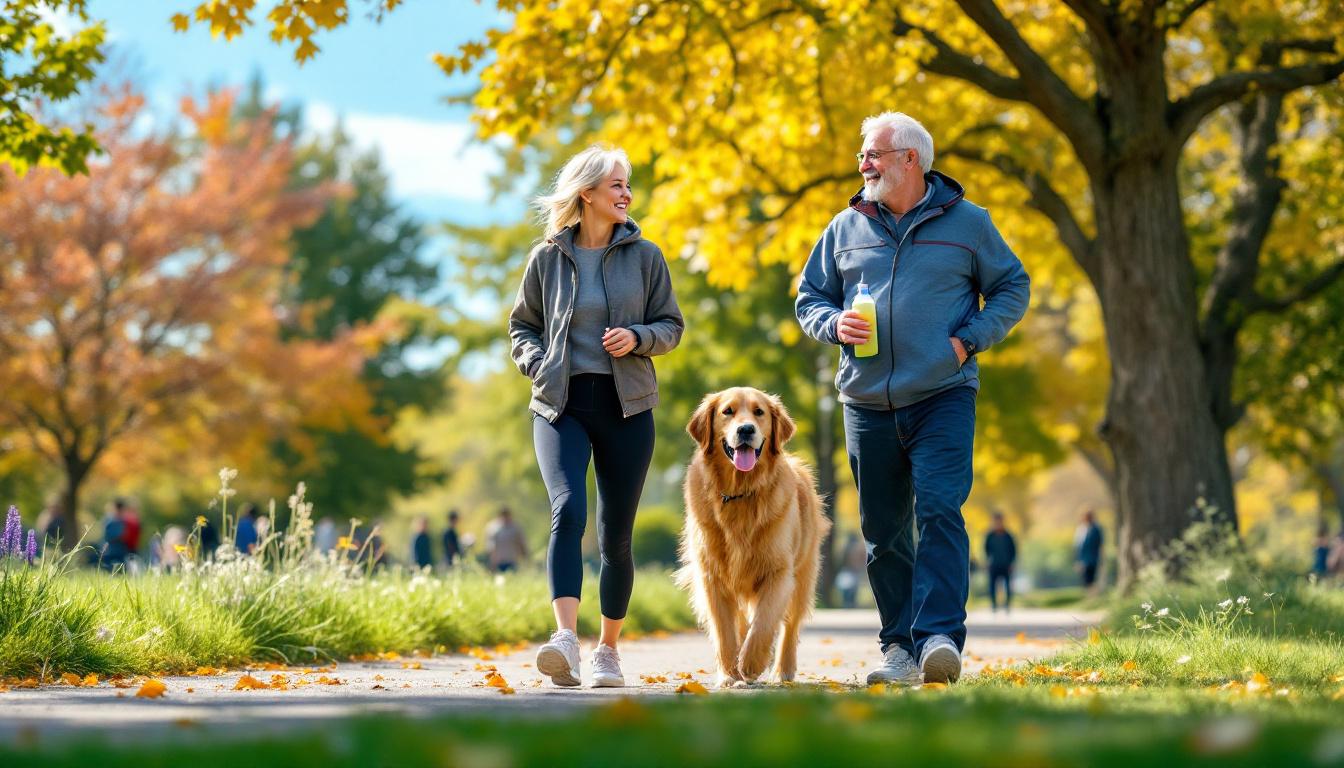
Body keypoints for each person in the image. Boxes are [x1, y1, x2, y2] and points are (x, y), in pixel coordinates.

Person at [796, 112, 1030, 686]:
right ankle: (898, 647)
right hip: (866, 403)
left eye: (873, 153)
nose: (863, 163)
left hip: (943, 395)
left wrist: (968, 341)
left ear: (911, 159)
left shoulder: (969, 224)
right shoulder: (844, 227)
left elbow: (1012, 286)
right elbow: (810, 298)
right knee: (882, 532)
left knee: (940, 512)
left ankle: (940, 639)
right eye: (862, 154)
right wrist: (832, 324)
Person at [509, 144, 684, 688]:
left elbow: (672, 326)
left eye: (628, 185)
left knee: (617, 535)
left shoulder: (646, 256)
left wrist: (638, 337)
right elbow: (522, 326)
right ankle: (564, 639)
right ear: (586, 193)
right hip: (560, 404)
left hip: (627, 407)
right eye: (617, 185)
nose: (627, 194)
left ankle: (607, 649)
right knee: (567, 509)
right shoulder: (546, 258)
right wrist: (535, 362)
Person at [984, 512, 1017, 613]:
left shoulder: (1008, 536)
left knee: (1008, 586)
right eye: (996, 521)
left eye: (1000, 520)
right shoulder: (990, 536)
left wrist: (1012, 563)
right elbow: (986, 549)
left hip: (1006, 565)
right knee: (992, 586)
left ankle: (1007, 605)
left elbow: (1013, 550)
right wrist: (988, 561)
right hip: (994, 565)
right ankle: (994, 605)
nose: (998, 523)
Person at [484, 508, 528, 574]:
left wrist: (525, 558)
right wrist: (491, 562)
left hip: (512, 561)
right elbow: (490, 548)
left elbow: (521, 544)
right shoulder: (493, 528)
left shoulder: (515, 528)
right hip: (498, 562)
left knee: (512, 579)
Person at [1074, 510, 1104, 592]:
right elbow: (1078, 547)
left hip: (1093, 559)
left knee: (1091, 579)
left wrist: (1102, 558)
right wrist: (1078, 561)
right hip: (1083, 560)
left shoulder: (1096, 529)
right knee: (1086, 581)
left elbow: (1100, 544)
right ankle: (1090, 597)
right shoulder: (1081, 530)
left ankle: (1093, 597)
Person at [837, 532, 868, 609]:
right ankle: (849, 604)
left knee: (850, 591)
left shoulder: (849, 549)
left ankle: (849, 604)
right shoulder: (851, 549)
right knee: (850, 591)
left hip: (850, 573)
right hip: (849, 573)